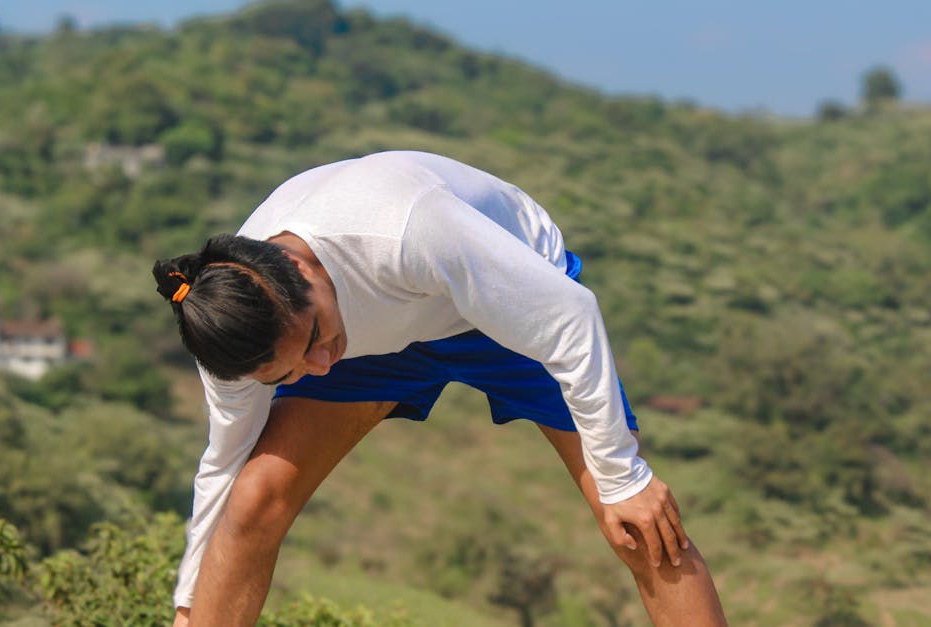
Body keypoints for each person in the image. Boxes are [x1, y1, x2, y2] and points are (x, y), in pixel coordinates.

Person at [154, 151, 727, 626]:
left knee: (632, 523)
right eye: (288, 375)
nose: (322, 365)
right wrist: (187, 602)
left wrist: (623, 475)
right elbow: (221, 467)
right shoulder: (232, 334)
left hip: (493, 307)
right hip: (379, 334)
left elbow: (572, 316)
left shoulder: (408, 228)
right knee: (253, 499)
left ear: (300, 271)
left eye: (315, 340)